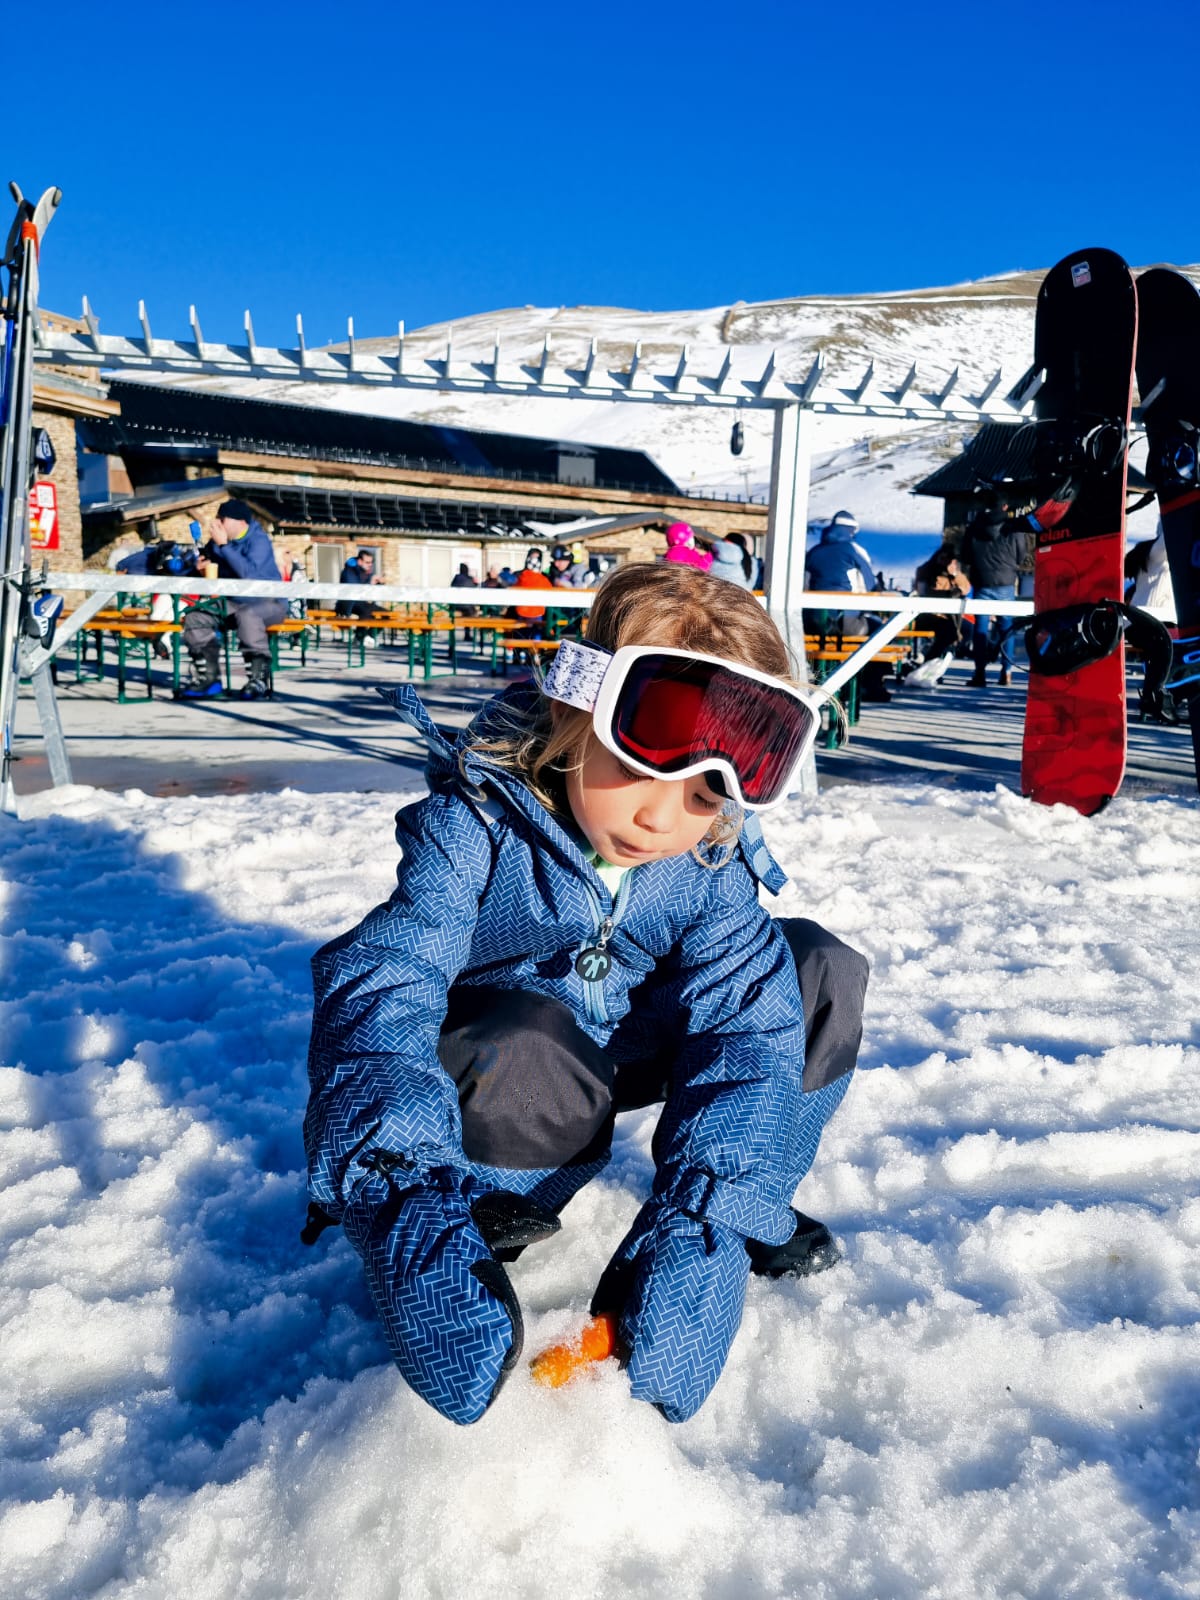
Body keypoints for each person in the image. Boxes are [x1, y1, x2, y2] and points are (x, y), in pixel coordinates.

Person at [304, 562, 868, 1427]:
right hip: (510, 1060)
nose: (660, 818)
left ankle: (737, 1201)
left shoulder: (705, 860)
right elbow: (391, 980)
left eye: (706, 791)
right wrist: (398, 1185)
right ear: (576, 715)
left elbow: (747, 1028)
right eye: (639, 767)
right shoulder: (480, 826)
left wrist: (702, 1229)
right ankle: (473, 1210)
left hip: (627, 1043)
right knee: (527, 1045)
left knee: (813, 976)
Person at [179, 501, 284, 700]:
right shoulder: (217, 543)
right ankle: (209, 678)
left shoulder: (258, 540)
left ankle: (258, 679)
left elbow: (248, 574)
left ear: (240, 522)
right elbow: (202, 566)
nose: (217, 523)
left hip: (269, 602)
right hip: (233, 601)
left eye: (222, 519)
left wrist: (224, 545)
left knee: (248, 616)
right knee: (196, 617)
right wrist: (197, 567)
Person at [805, 511, 892, 702]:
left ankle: (818, 681)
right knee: (880, 629)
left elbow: (804, 584)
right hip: (846, 623)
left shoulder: (813, 552)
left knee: (823, 641)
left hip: (813, 622)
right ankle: (871, 685)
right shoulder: (854, 551)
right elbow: (870, 587)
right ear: (852, 531)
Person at [958, 497, 1025, 687]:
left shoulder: (974, 527)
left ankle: (980, 673)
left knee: (980, 629)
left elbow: (965, 556)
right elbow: (1022, 554)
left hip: (982, 583)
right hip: (1006, 583)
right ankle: (1007, 672)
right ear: (1004, 506)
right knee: (1006, 629)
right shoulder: (1013, 526)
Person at [912, 543, 971, 661]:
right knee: (949, 631)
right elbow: (922, 593)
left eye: (949, 559)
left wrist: (954, 573)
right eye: (943, 559)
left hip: (950, 616)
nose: (945, 562)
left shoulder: (953, 574)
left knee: (967, 628)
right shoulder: (926, 570)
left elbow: (966, 588)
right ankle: (931, 659)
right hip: (930, 615)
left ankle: (948, 653)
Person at [512, 546, 554, 635]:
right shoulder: (520, 575)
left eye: (536, 558)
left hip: (531, 613)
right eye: (532, 558)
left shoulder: (543, 577)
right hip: (528, 613)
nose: (534, 560)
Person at [336, 549, 385, 620]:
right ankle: (361, 631)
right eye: (367, 562)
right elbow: (354, 589)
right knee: (367, 611)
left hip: (361, 603)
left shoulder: (366, 572)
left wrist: (379, 583)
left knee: (385, 614)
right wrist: (370, 583)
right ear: (360, 561)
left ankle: (371, 631)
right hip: (348, 604)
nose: (370, 565)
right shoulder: (349, 571)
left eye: (371, 562)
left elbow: (368, 589)